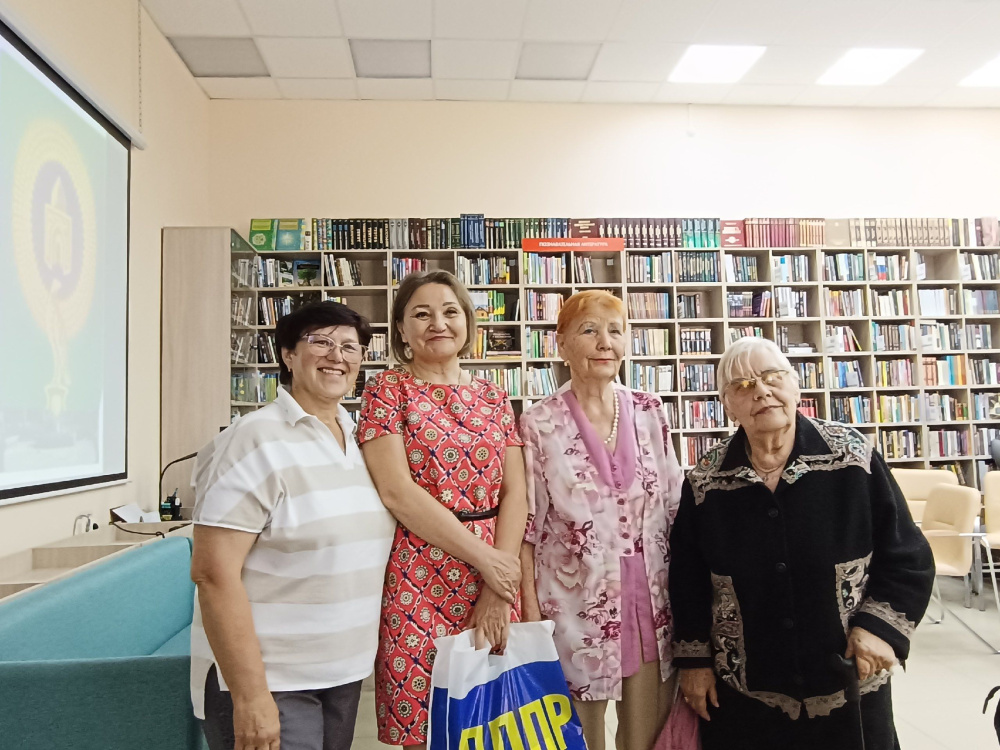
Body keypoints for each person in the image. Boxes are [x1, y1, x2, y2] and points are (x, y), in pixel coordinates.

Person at [668, 335, 934, 750]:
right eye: (743, 385)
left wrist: (878, 628)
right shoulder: (706, 481)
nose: (761, 391)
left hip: (848, 682)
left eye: (772, 377)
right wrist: (694, 662)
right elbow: (687, 579)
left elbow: (907, 554)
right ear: (728, 406)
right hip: (745, 693)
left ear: (795, 386)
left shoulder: (853, 458)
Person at [189, 301, 396, 750]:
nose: (337, 356)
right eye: (320, 342)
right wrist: (250, 697)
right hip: (271, 680)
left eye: (350, 347)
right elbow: (213, 573)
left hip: (342, 673)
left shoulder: (361, 439)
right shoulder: (252, 439)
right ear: (287, 354)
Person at [357, 270, 527, 748]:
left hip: (495, 567)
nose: (438, 323)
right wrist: (489, 561)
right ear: (401, 328)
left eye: (450, 311)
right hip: (417, 572)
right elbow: (397, 492)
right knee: (425, 721)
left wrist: (498, 584)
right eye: (422, 314)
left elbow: (516, 492)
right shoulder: (387, 390)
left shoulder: (494, 396)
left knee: (495, 722)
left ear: (468, 322)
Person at [519, 290, 684, 750]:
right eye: (589, 330)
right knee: (575, 736)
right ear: (561, 344)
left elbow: (675, 505)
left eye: (615, 331)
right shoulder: (538, 423)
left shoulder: (650, 411)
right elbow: (527, 529)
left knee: (645, 736)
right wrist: (529, 615)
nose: (604, 342)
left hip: (652, 604)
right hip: (573, 611)